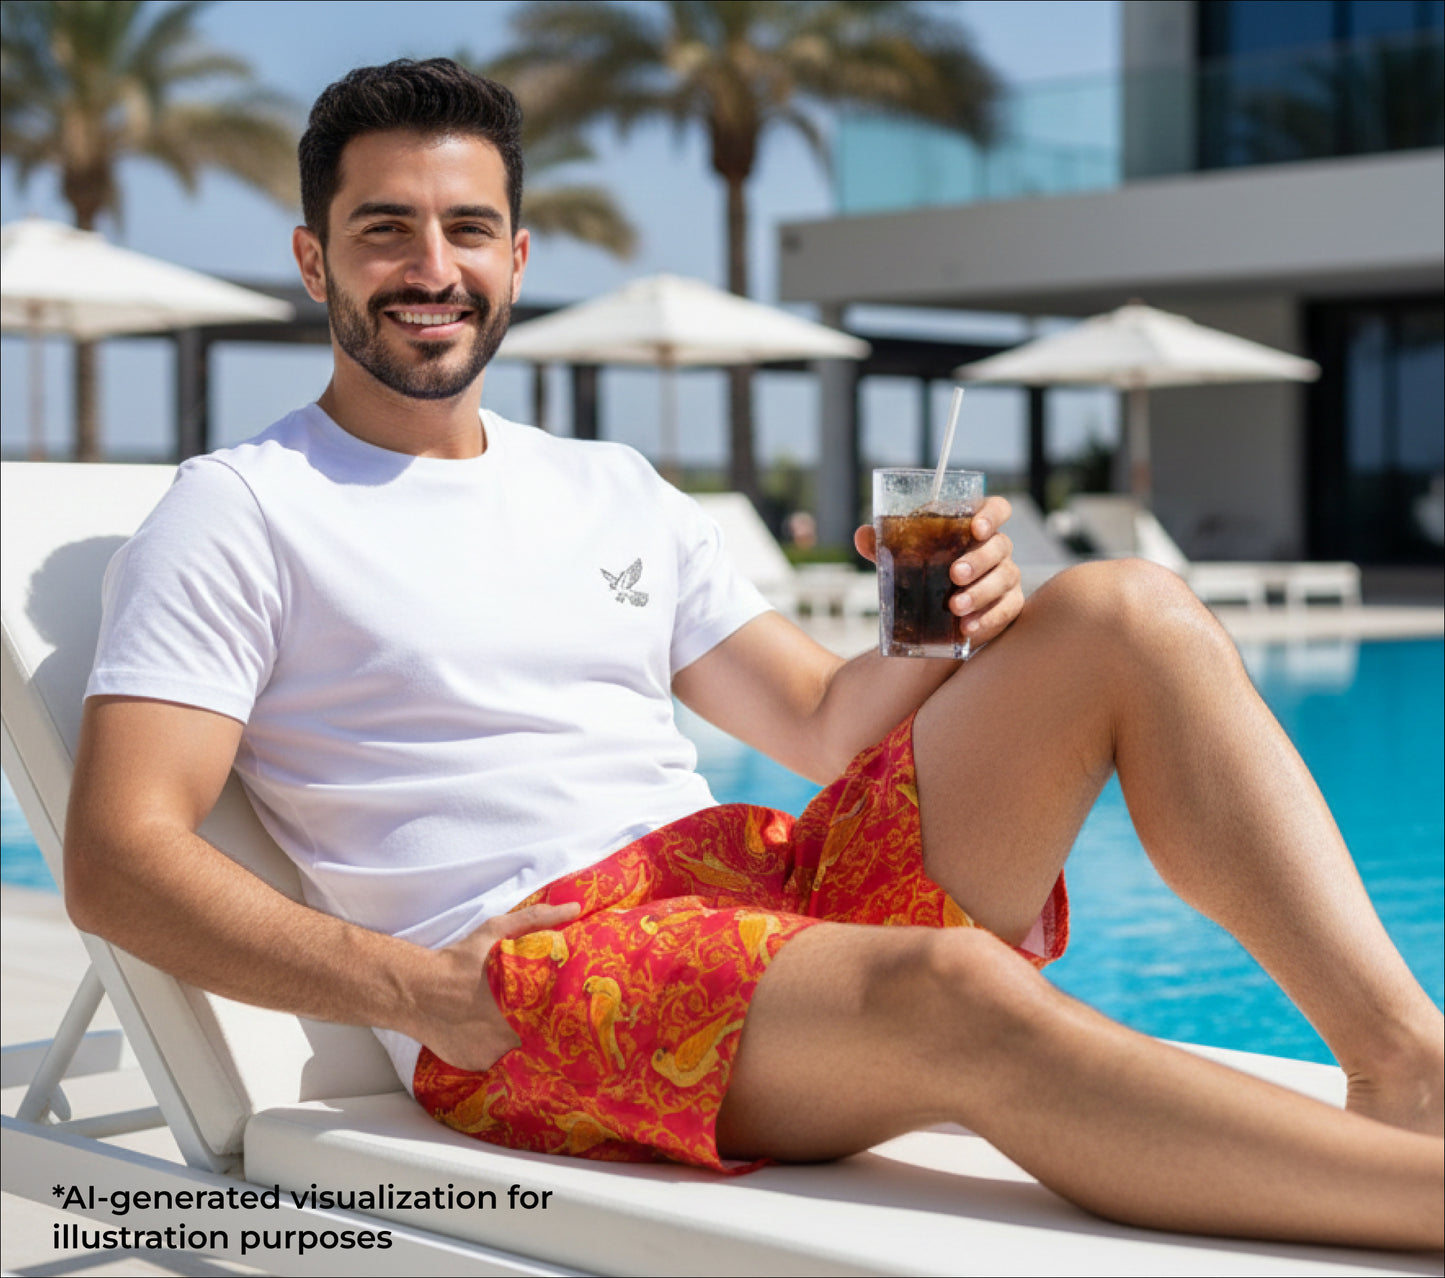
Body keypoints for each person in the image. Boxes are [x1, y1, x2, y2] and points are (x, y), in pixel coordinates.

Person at [65, 59, 1442, 1250]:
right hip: (538, 983)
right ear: (315, 260)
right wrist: (412, 987)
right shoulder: (241, 509)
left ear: (517, 258)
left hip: (750, 893)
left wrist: (944, 619)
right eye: (384, 230)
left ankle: (1403, 1070)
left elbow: (830, 724)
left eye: (466, 229)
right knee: (950, 987)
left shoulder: (608, 487)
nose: (432, 268)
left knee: (1127, 609)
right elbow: (119, 852)